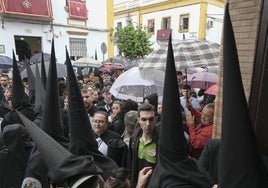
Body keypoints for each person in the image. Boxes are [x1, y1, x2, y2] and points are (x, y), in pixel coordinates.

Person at [127, 103, 159, 187]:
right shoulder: (134, 139)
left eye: (151, 119)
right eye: (144, 119)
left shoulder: (161, 141)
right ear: (138, 120)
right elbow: (130, 164)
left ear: (156, 119)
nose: (148, 123)